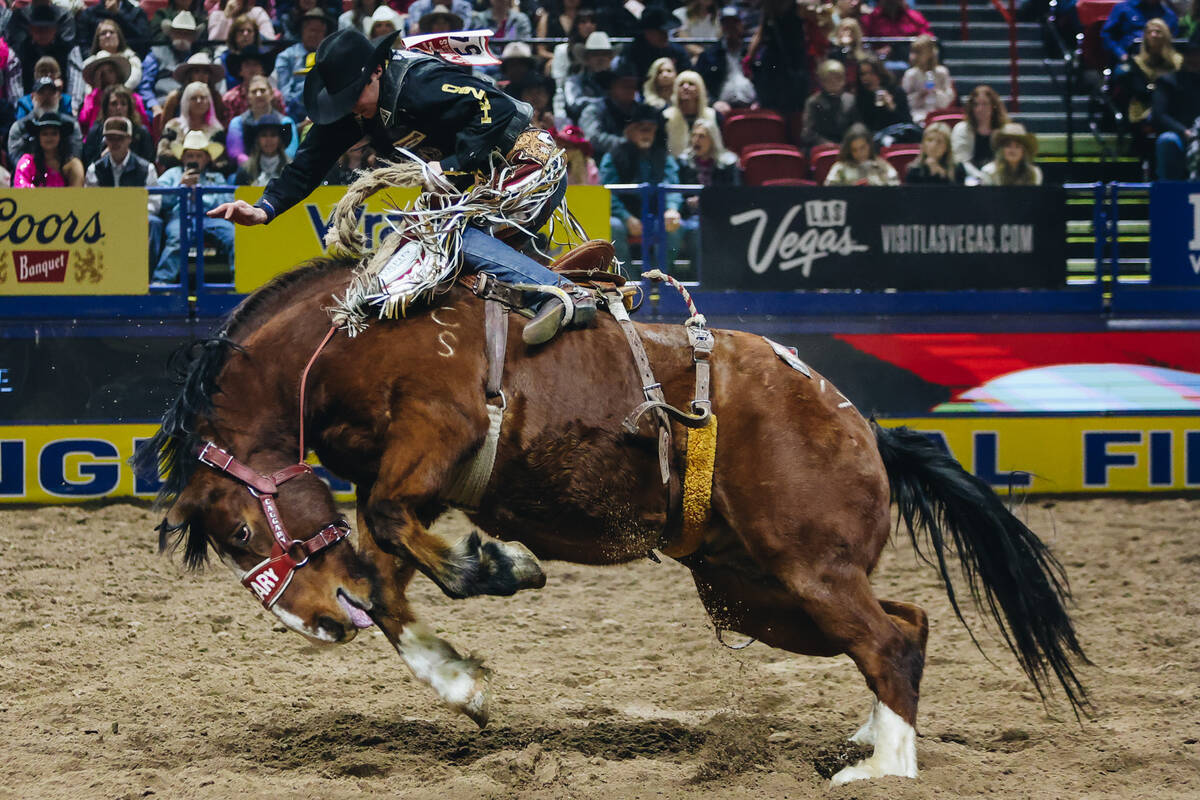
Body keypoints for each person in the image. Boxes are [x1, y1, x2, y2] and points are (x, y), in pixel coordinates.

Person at [207, 28, 600, 345]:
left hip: (525, 165)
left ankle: (558, 292)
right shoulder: (357, 108)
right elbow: (310, 161)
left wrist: (451, 166)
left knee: (441, 237)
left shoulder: (421, 82)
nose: (350, 107)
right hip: (474, 186)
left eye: (353, 95)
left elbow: (493, 110)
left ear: (377, 70)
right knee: (415, 252)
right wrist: (265, 208)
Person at [598, 102, 684, 269]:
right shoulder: (614, 156)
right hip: (626, 216)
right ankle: (629, 282)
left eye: (650, 129)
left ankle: (659, 281)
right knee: (613, 226)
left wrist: (672, 209)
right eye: (641, 129)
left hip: (657, 215)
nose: (647, 134)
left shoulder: (664, 157)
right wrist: (626, 217)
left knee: (674, 227)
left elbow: (672, 186)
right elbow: (609, 192)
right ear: (629, 131)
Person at [154, 129, 235, 285]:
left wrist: (202, 195)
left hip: (211, 218)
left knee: (232, 236)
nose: (195, 159)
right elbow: (160, 201)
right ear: (183, 158)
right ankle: (161, 283)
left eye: (199, 156)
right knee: (177, 239)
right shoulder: (172, 174)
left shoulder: (216, 177)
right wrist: (180, 187)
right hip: (181, 218)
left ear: (207, 159)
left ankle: (238, 283)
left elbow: (227, 201)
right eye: (190, 155)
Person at [84, 115, 163, 268]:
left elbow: (154, 203)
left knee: (154, 223)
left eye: (120, 138)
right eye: (111, 138)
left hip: (137, 217)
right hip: (105, 219)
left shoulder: (147, 168)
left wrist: (130, 214)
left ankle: (148, 277)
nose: (115, 143)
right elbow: (90, 203)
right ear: (105, 140)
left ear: (129, 139)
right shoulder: (95, 169)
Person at [676, 116, 739, 270]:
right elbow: (677, 193)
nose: (696, 140)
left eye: (702, 136)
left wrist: (707, 201)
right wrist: (688, 202)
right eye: (694, 136)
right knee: (694, 229)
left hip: (719, 216)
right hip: (690, 216)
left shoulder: (728, 164)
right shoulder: (683, 162)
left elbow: (734, 196)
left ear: (713, 139)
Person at [14, 5, 86, 113]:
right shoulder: (21, 49)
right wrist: (21, 106)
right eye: (38, 29)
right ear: (30, 30)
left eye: (46, 28)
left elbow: (76, 78)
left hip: (63, 105)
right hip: (29, 106)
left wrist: (73, 106)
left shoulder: (69, 48)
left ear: (55, 29)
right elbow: (16, 82)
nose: (42, 33)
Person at [1151, 35, 1200, 180]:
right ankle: (1169, 193)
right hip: (1178, 133)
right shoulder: (1167, 81)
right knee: (1167, 141)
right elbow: (1159, 115)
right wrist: (1184, 132)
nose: (1195, 59)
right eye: (1192, 54)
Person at [695, 6, 757, 115]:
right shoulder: (708, 55)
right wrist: (713, 102)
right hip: (721, 109)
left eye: (734, 22)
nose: (731, 27)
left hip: (753, 107)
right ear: (721, 26)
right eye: (726, 23)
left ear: (742, 25)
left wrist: (760, 101)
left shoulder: (753, 52)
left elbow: (766, 80)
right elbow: (699, 84)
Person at [8, 74, 83, 165]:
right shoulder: (19, 127)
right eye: (41, 93)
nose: (47, 97)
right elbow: (17, 161)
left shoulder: (72, 125)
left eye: (51, 93)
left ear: (59, 97)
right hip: (30, 175)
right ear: (32, 97)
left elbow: (75, 157)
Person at [139, 10, 201, 116]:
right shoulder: (156, 53)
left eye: (187, 34)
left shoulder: (198, 58)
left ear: (193, 38)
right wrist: (154, 107)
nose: (182, 38)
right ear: (171, 34)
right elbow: (145, 85)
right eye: (179, 32)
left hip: (191, 109)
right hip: (160, 106)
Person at [275, 8, 333, 119]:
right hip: (295, 116)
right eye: (312, 30)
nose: (315, 35)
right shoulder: (286, 57)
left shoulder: (329, 57)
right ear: (302, 30)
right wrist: (311, 84)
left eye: (320, 31)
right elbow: (284, 98)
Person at [579, 60, 643, 160]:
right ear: (611, 87)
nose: (630, 90)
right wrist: (626, 142)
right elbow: (592, 138)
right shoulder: (594, 110)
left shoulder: (642, 111)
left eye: (633, 86)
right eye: (625, 86)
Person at [226, 74, 297, 162]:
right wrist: (255, 167)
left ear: (271, 94)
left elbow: (290, 153)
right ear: (248, 97)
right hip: (247, 171)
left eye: (262, 90)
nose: (258, 95)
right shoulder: (237, 123)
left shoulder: (286, 122)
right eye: (254, 91)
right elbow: (236, 153)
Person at [158, 80, 226, 170]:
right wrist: (187, 160)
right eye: (194, 98)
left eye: (203, 98)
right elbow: (161, 154)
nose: (199, 101)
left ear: (209, 101)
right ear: (186, 101)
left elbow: (223, 161)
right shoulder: (173, 126)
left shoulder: (217, 130)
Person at [82, 84, 154, 164]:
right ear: (106, 107)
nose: (119, 108)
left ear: (129, 108)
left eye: (123, 104)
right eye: (114, 104)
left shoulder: (141, 132)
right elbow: (87, 162)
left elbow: (148, 162)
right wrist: (103, 158)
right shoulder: (96, 131)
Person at [952, 84, 1009, 184]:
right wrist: (980, 177)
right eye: (976, 105)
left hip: (998, 179)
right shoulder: (961, 129)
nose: (980, 109)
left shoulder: (1004, 130)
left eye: (985, 104)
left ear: (994, 106)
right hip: (969, 179)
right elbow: (961, 160)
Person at [12, 111, 85, 186]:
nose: (49, 137)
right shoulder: (27, 163)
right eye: (44, 134)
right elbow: (22, 191)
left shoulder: (72, 165)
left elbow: (76, 195)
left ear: (60, 137)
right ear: (38, 138)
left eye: (54, 133)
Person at [802, 60, 860, 148]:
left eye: (838, 78)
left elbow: (856, 128)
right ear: (822, 81)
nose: (834, 82)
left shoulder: (850, 100)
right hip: (822, 147)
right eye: (829, 79)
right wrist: (828, 144)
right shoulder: (813, 102)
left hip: (847, 147)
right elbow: (808, 133)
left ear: (844, 79)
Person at [622, 5, 691, 80]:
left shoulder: (677, 52)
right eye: (660, 32)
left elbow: (686, 78)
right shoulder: (632, 53)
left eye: (666, 31)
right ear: (647, 32)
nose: (665, 36)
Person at [1101, 0, 1178, 64]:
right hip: (1129, 60)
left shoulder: (1169, 15)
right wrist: (1121, 54)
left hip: (1160, 62)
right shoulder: (1123, 8)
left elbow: (1173, 41)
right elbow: (1106, 35)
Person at [662, 70, 719, 157]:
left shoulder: (713, 115)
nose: (685, 87)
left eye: (691, 84)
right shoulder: (666, 116)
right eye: (681, 84)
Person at [901, 34, 954, 124]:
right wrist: (920, 95)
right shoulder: (910, 74)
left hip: (939, 113)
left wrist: (936, 92)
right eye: (914, 52)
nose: (914, 56)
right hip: (917, 114)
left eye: (919, 52)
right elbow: (904, 102)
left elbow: (948, 99)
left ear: (929, 53)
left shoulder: (942, 72)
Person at [855, 56, 913, 137]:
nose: (867, 78)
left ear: (880, 73)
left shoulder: (896, 92)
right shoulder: (860, 96)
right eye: (863, 74)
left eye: (871, 73)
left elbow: (907, 123)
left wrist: (892, 106)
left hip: (897, 136)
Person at [825, 123, 900, 185]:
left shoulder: (883, 167)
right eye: (854, 150)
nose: (859, 153)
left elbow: (895, 187)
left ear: (869, 145)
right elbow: (830, 191)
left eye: (862, 148)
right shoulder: (840, 168)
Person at [563, 29, 612, 123]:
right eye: (595, 55)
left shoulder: (618, 81)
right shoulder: (574, 81)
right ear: (587, 58)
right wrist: (607, 102)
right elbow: (574, 104)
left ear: (610, 58)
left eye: (605, 54)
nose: (601, 59)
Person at [76, 0, 152, 60]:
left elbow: (144, 42)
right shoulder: (89, 14)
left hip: (131, 61)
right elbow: (83, 45)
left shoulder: (136, 12)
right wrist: (96, 60)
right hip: (97, 64)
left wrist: (118, 14)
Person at [224, 46, 282, 117]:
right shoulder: (230, 98)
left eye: (256, 64)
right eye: (247, 64)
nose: (252, 68)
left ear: (263, 70)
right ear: (240, 71)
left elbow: (283, 123)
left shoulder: (275, 96)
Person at [234, 113, 291, 184]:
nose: (268, 140)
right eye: (264, 135)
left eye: (273, 135)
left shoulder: (291, 170)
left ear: (280, 140)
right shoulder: (245, 170)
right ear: (257, 140)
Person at [87, 19, 142, 91]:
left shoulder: (131, 58)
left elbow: (132, 81)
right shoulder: (88, 63)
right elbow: (87, 90)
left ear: (118, 36)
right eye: (103, 33)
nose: (108, 35)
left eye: (111, 32)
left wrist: (114, 93)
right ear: (98, 39)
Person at [205, 0, 277, 43]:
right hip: (224, 56)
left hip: (254, 54)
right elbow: (214, 43)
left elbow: (270, 40)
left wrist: (250, 34)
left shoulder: (258, 12)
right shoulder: (216, 15)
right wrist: (226, 16)